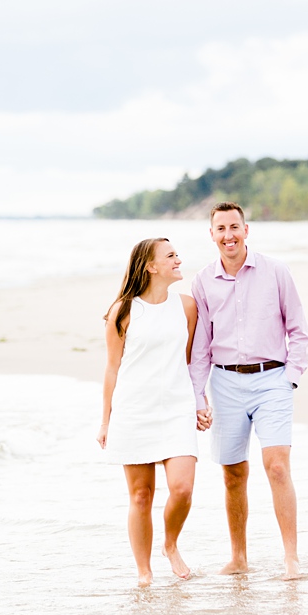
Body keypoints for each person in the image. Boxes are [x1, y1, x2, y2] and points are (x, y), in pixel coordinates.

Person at [189, 201, 308, 580]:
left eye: (234, 227)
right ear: (212, 235)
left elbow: (299, 330)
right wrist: (198, 396)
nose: (228, 235)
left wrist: (290, 377)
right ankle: (239, 557)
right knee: (233, 475)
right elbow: (201, 348)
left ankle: (290, 558)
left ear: (246, 230)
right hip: (224, 383)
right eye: (221, 229)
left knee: (276, 466)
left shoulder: (275, 271)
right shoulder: (202, 281)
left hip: (272, 380)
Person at [98, 237, 210, 586]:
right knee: (141, 495)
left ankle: (170, 543)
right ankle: (144, 572)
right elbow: (112, 368)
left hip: (175, 408)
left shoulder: (187, 307)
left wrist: (198, 402)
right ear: (151, 266)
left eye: (177, 254)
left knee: (182, 488)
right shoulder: (124, 311)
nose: (179, 259)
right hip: (134, 411)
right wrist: (106, 420)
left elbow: (191, 362)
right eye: (171, 255)